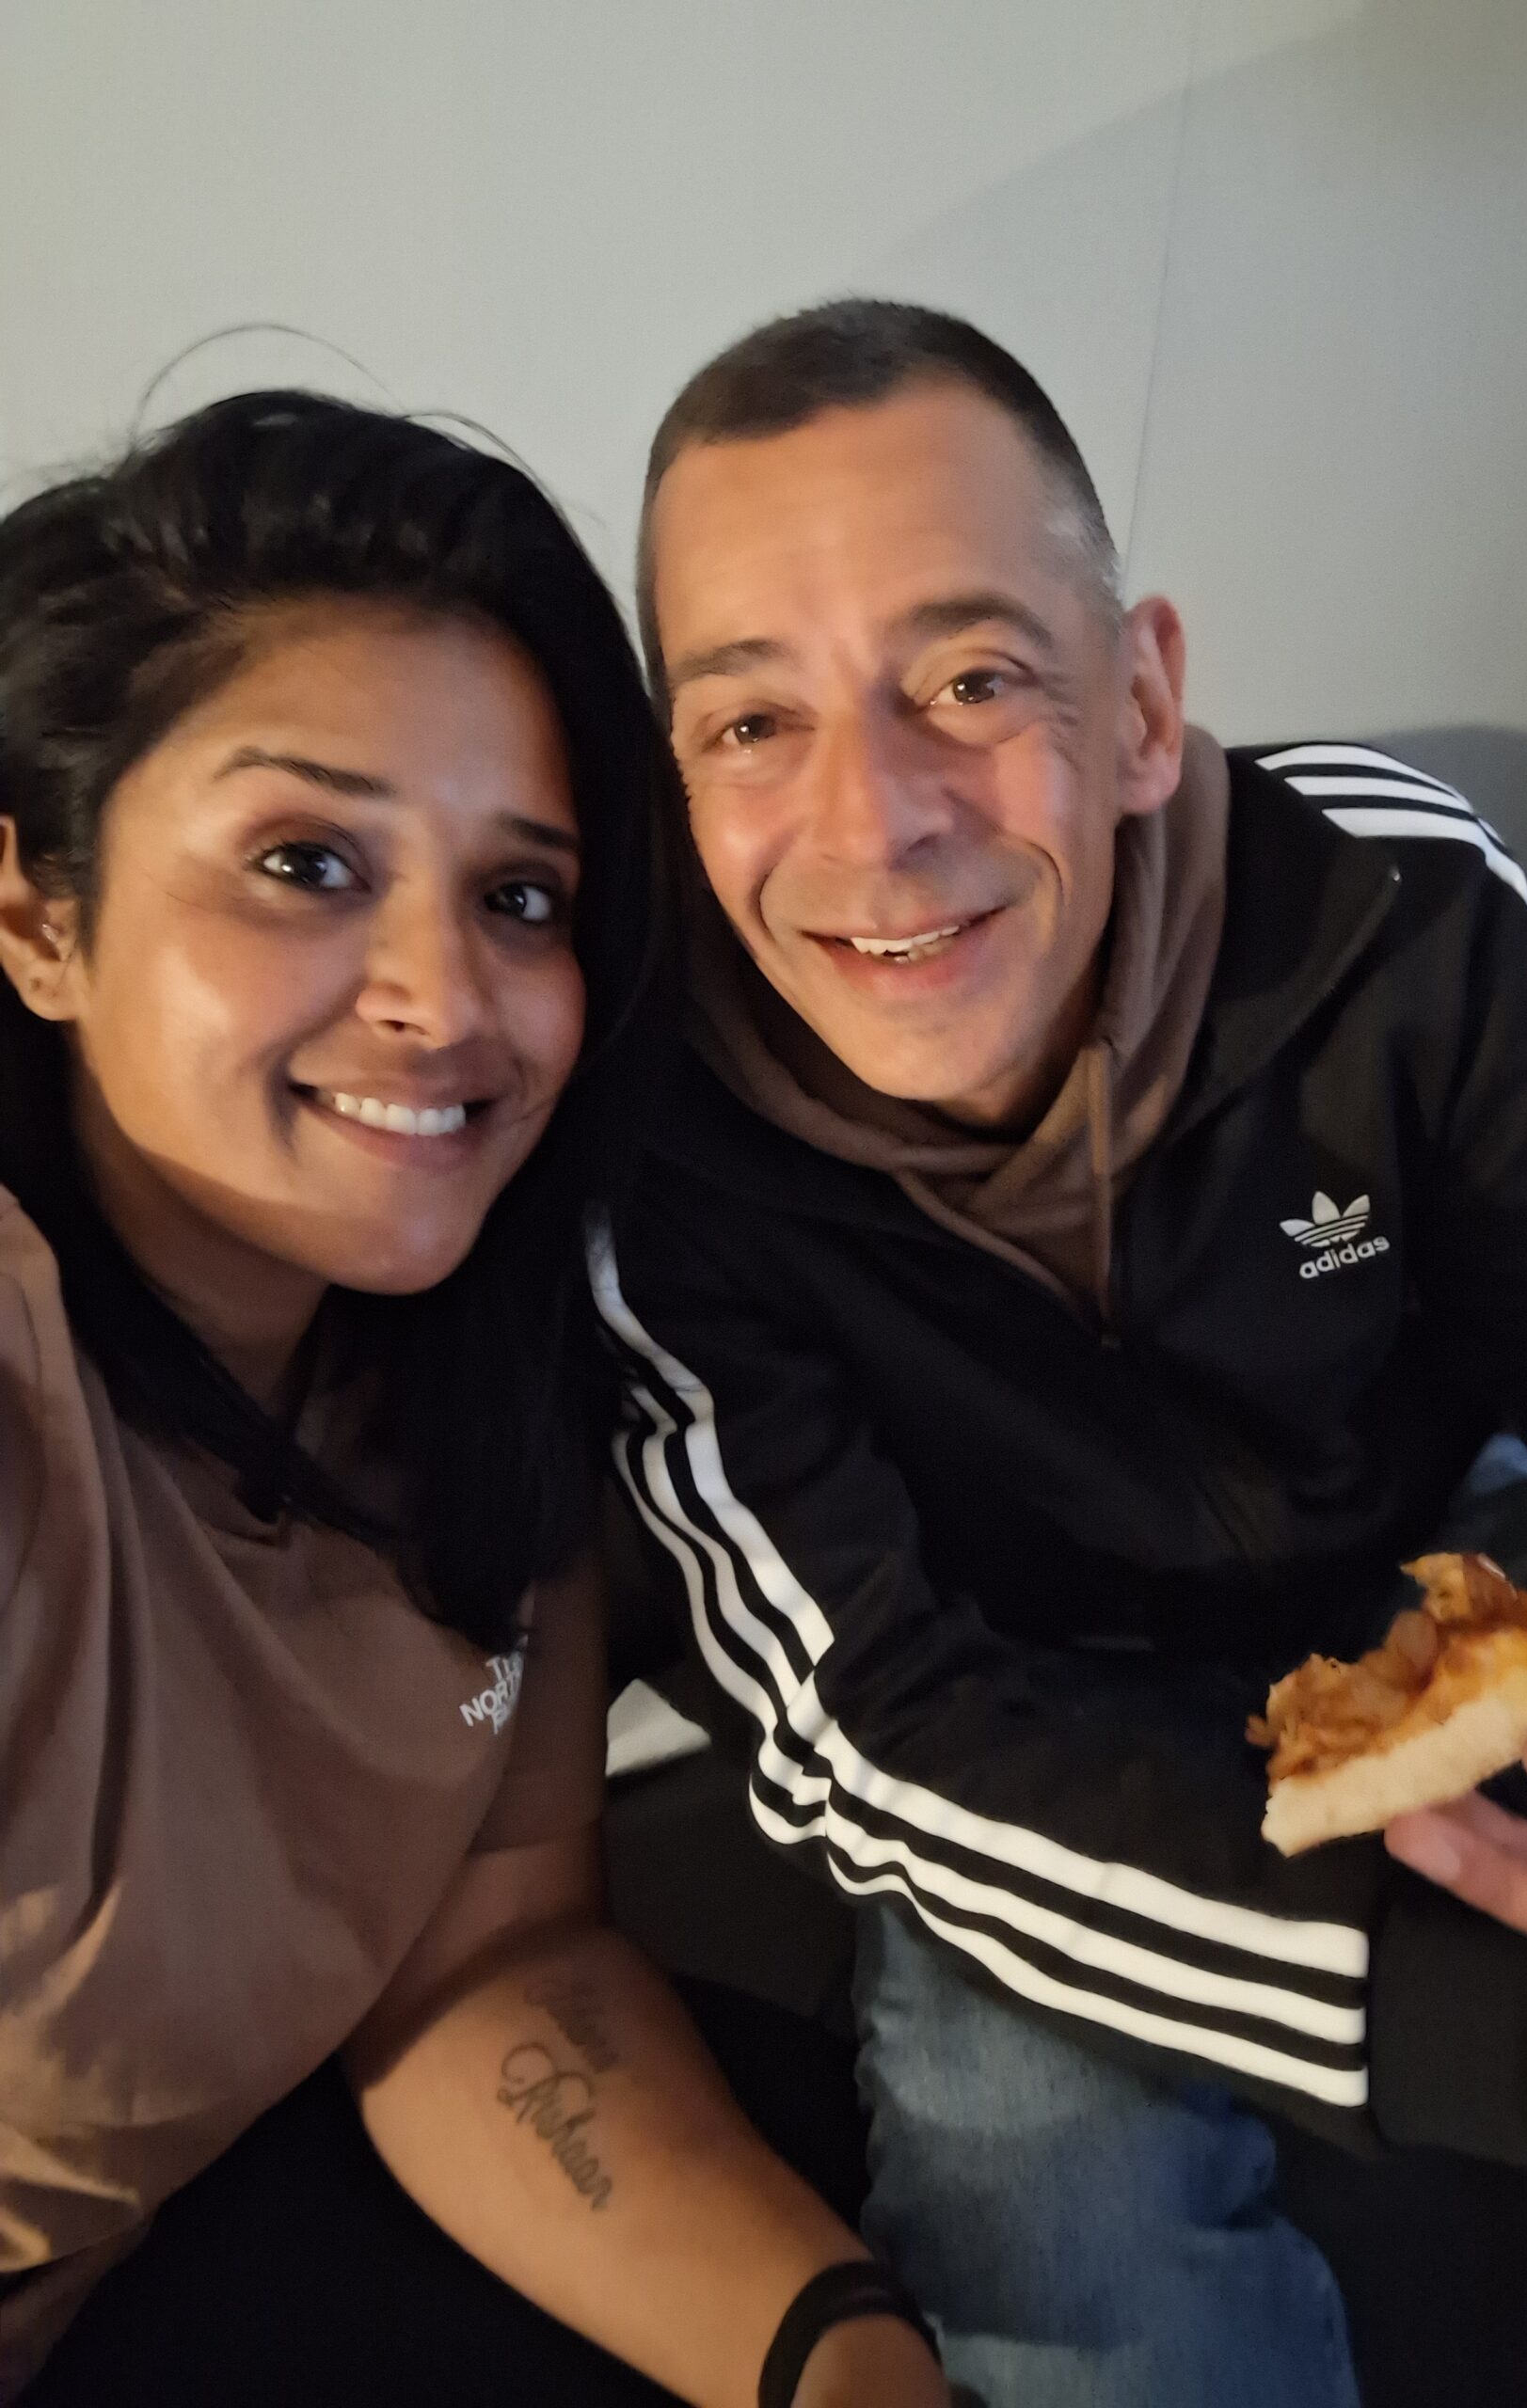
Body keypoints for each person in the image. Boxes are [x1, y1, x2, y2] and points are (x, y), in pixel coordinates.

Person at [600, 298, 1527, 2406]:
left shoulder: (1393, 901)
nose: (873, 823)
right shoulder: (642, 1151)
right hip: (1035, 1734)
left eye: (972, 681)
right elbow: (873, 1723)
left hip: (1449, 1574)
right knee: (1067, 2231)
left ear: (1145, 705)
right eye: (752, 721)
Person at [0, 390, 947, 2408]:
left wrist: (841, 2365)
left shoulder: (475, 1369)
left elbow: (483, 1962)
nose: (444, 998)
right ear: (36, 916)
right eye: (306, 861)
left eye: (520, 897)